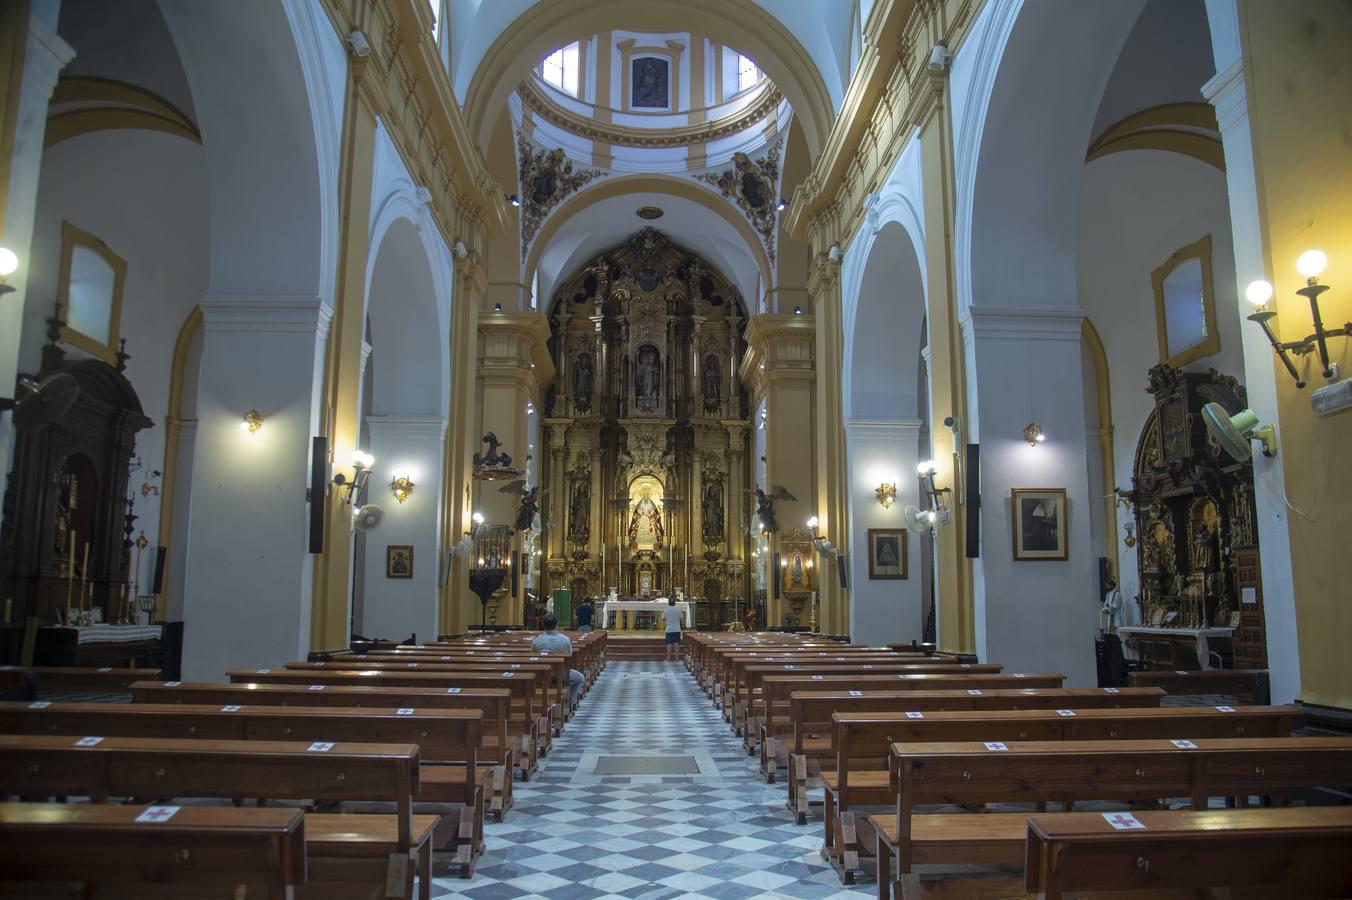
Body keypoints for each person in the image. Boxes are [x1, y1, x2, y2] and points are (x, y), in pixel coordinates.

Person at [532, 614, 585, 706]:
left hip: (541, 674)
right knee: (580, 678)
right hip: (561, 674)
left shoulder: (536, 641)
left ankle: (536, 702)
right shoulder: (565, 640)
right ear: (556, 625)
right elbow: (570, 655)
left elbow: (532, 656)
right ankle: (568, 703)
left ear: (543, 625)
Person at [663, 597, 683, 662]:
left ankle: (668, 658)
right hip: (677, 628)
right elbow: (681, 618)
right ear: (675, 603)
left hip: (669, 629)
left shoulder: (666, 609)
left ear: (668, 603)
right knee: (676, 643)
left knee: (669, 643)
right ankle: (677, 658)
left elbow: (663, 618)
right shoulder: (678, 609)